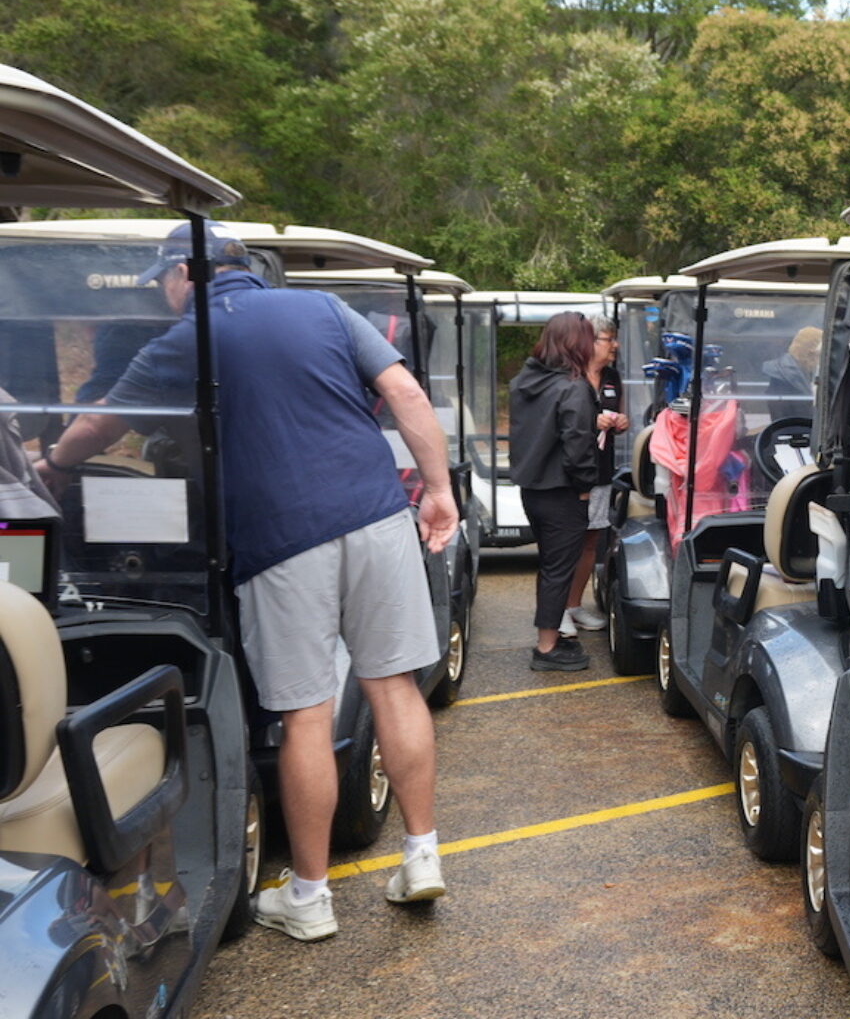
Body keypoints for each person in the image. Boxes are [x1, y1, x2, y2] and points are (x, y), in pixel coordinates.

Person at [37, 222, 456, 942]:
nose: (165, 297)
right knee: (394, 686)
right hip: (377, 514)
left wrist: (53, 466)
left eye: (164, 285)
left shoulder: (187, 339)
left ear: (184, 275)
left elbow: (100, 426)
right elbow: (406, 393)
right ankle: (421, 857)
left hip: (282, 538)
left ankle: (310, 896)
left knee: (306, 715)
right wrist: (438, 491)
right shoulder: (324, 309)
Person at [508, 311, 599, 670]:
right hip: (563, 491)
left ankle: (549, 638)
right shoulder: (573, 387)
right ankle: (546, 648)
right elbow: (578, 445)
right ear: (578, 343)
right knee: (559, 569)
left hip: (532, 489)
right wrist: (585, 486)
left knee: (550, 566)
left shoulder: (523, 382)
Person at [561, 314, 629, 636]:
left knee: (591, 541)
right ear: (590, 341)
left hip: (601, 470)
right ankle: (556, 610)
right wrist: (591, 421)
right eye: (608, 339)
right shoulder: (568, 375)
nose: (615, 345)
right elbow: (558, 422)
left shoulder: (613, 376)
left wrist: (621, 423)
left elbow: (618, 413)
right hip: (569, 473)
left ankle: (574, 606)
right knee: (566, 542)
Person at [762, 325, 821, 422]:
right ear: (809, 353)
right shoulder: (783, 377)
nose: (819, 360)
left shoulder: (803, 373)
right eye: (818, 355)